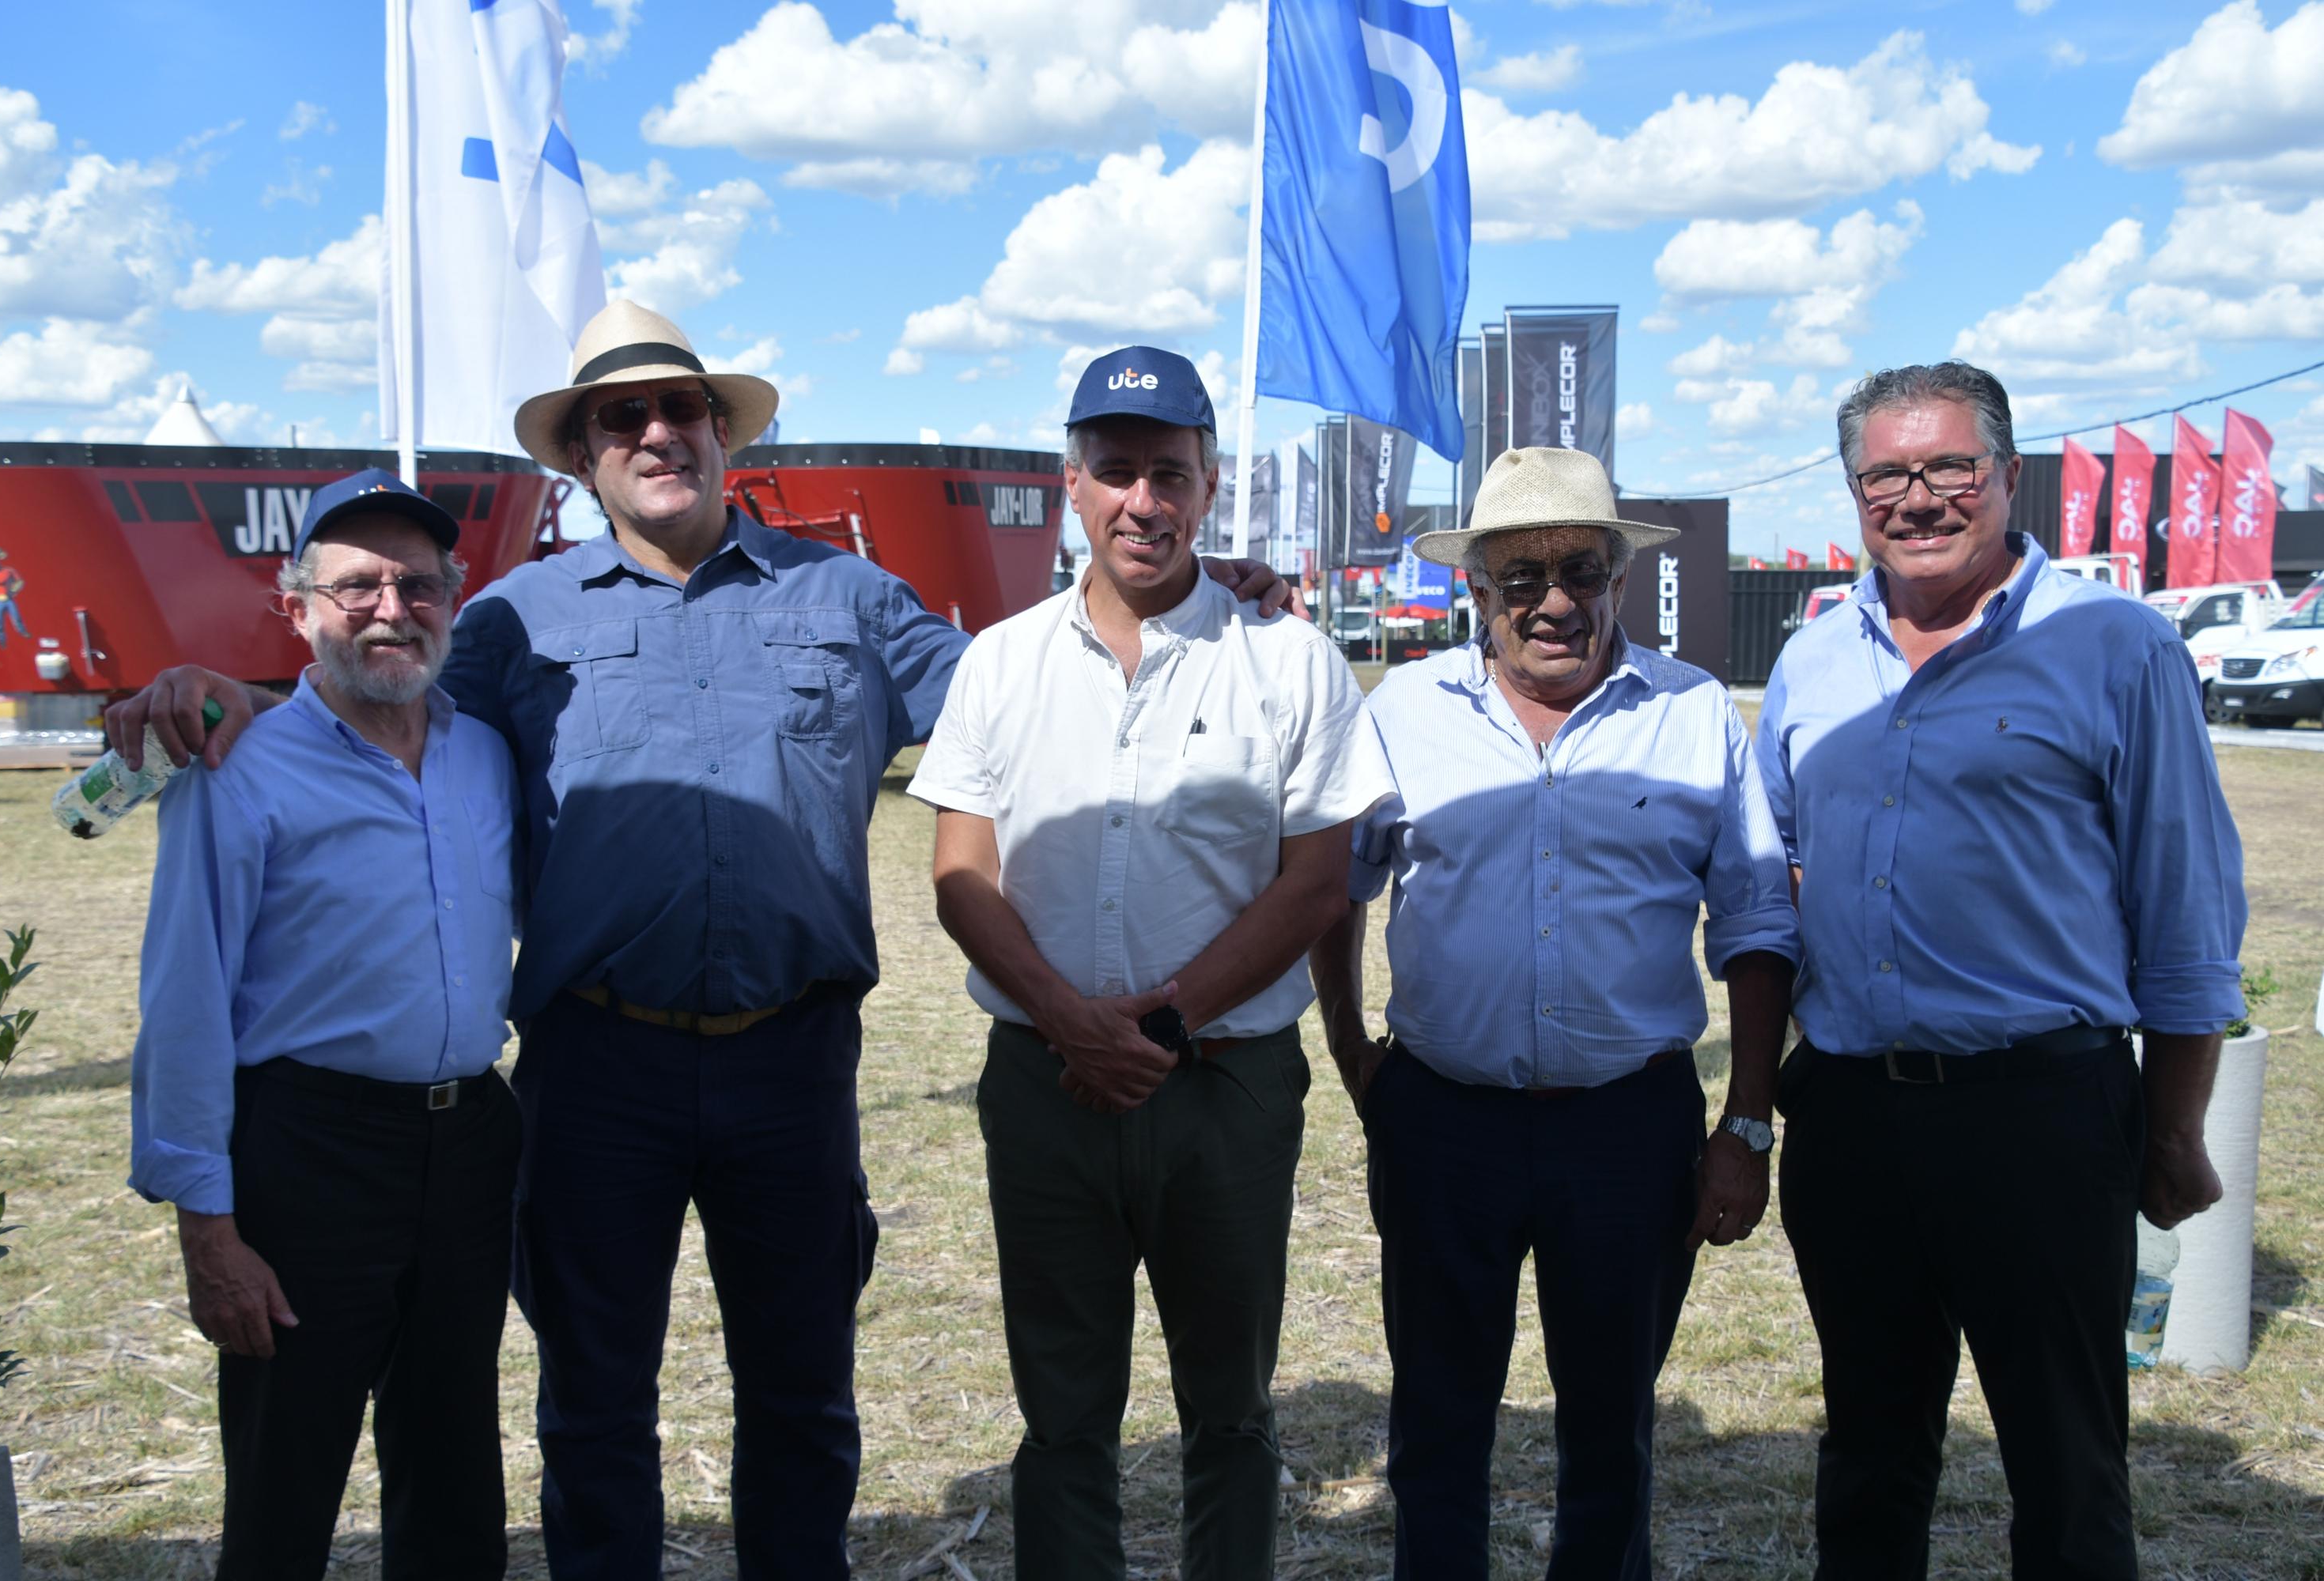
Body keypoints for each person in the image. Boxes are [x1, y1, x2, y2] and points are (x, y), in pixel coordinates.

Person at [104, 300, 1299, 1579]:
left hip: (789, 1062)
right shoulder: (511, 619)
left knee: (801, 1389)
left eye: (684, 410)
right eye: (624, 417)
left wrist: (1175, 594)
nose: (659, 432)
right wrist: (228, 691)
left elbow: (1026, 687)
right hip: (595, 1066)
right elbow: (374, 698)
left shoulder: (848, 596)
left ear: (726, 434)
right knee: (594, 1396)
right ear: (583, 456)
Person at [906, 346, 1392, 1579]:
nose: (1143, 499)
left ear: (1210, 485)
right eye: (1114, 470)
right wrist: (1072, 1023)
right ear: (1070, 484)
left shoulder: (1289, 660)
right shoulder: (1001, 663)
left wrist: (1160, 1025)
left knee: (1229, 1408)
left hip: (1223, 1090)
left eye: (1168, 472)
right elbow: (963, 877)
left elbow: (1317, 883)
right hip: (1044, 1085)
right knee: (1064, 1414)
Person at [1759, 361, 2247, 1579]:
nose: (1917, 498)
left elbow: (2184, 916)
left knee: (2068, 1465)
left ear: (2008, 476)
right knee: (1867, 1453)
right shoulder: (1813, 663)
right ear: (1855, 488)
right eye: (1886, 474)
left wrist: (2176, 1131)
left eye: (1948, 468)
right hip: (1855, 1117)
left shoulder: (2116, 647)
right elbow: (1775, 882)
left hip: (2042, 1118)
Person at [1309, 447, 1799, 1579]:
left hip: (1629, 1131)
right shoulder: (1404, 713)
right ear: (1475, 589)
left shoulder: (1693, 716)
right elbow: (1337, 888)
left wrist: (1750, 1123)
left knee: (1613, 1427)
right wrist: (1352, 1055)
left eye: (1583, 568)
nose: (1557, 602)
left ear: (1621, 576)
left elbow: (1757, 926)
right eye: (1521, 579)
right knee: (1436, 1418)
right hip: (1441, 1117)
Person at [129, 470, 523, 1579]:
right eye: (355, 587)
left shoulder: (483, 756)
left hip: (468, 1143)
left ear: (456, 596)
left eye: (417, 584)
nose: (390, 609)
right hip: (306, 1151)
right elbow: (188, 998)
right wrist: (208, 1229)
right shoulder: (235, 767)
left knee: (454, 1461)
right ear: (293, 606)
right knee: (287, 1469)